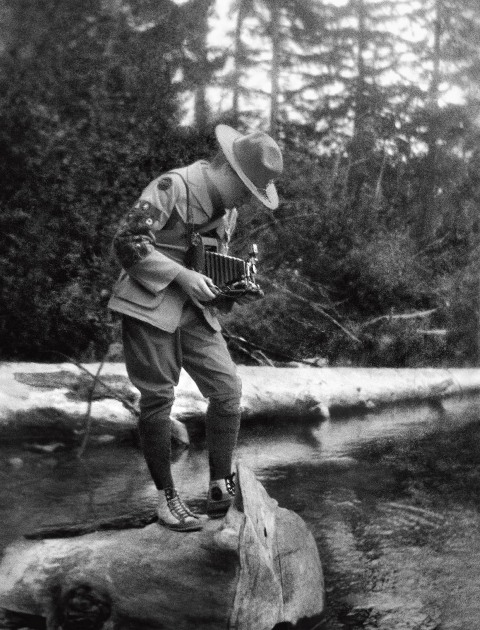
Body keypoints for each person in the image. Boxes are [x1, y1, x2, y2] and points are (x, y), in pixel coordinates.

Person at [108, 124, 283, 532]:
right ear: (227, 170)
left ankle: (220, 485)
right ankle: (166, 497)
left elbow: (208, 262)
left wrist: (230, 288)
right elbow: (127, 240)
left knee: (227, 389)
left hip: (194, 311)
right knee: (158, 398)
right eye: (246, 190)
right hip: (149, 302)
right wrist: (181, 276)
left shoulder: (229, 212)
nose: (247, 201)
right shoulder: (173, 186)